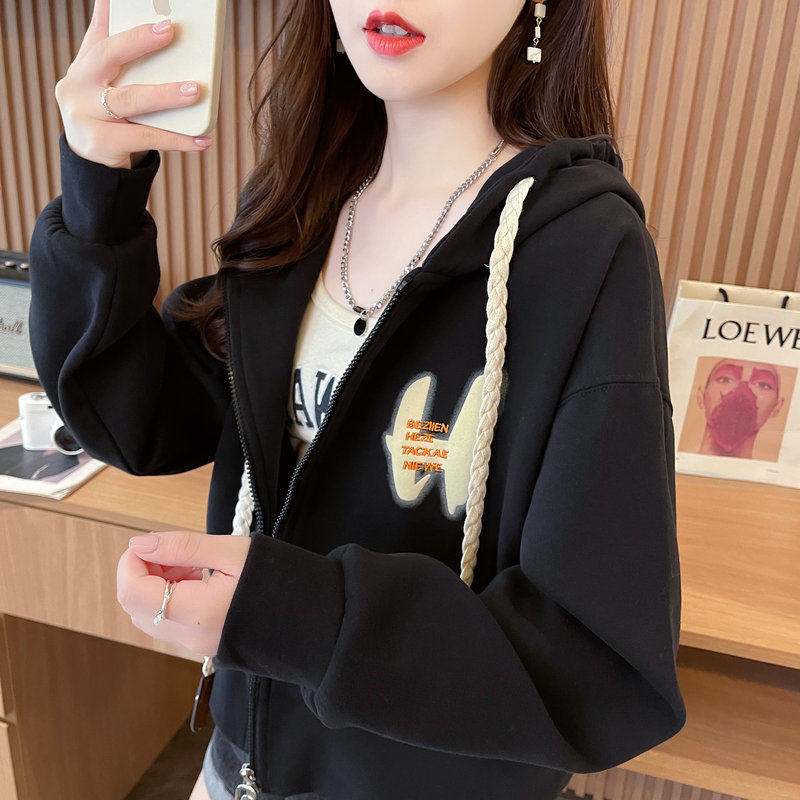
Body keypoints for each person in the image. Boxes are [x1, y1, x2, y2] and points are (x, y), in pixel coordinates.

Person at [28, 0, 687, 798]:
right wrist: (98, 192)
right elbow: (137, 420)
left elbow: (599, 664)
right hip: (233, 775)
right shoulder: (302, 203)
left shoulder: (584, 251)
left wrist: (291, 614)